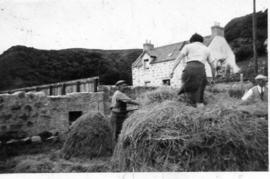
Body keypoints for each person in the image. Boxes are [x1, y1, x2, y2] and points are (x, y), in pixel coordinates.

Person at [170, 33, 214, 107]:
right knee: (199, 98)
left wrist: (172, 70)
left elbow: (179, 58)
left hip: (189, 70)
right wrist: (213, 77)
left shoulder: (188, 46)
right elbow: (213, 65)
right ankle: (200, 110)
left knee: (185, 91)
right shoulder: (207, 49)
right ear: (202, 41)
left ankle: (179, 104)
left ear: (192, 41)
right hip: (200, 71)